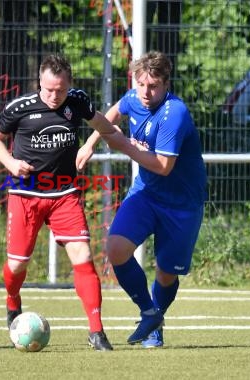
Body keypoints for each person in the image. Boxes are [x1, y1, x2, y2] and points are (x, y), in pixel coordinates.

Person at [0, 54, 128, 352]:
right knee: (17, 263)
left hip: (64, 195)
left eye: (60, 90)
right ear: (40, 82)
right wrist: (10, 163)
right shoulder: (20, 107)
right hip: (25, 195)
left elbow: (104, 126)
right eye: (49, 89)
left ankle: (97, 332)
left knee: (83, 257)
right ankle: (13, 302)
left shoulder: (77, 102)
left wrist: (91, 146)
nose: (54, 96)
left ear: (69, 85)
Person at [79, 51, 207, 348]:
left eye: (154, 86)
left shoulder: (175, 113)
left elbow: (163, 166)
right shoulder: (134, 98)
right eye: (141, 85)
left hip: (182, 203)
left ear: (166, 84)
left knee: (165, 273)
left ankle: (156, 320)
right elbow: (110, 114)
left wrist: (123, 144)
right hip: (147, 193)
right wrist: (90, 143)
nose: (146, 93)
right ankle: (149, 314)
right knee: (116, 248)